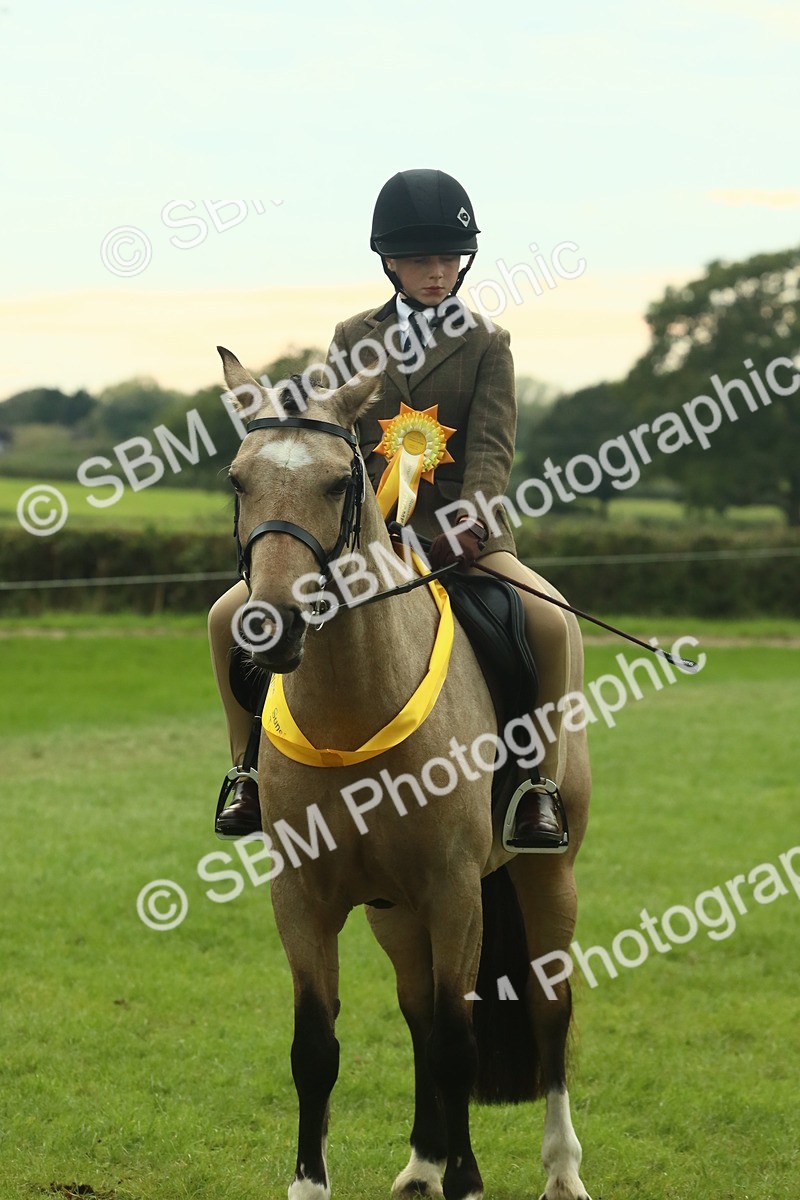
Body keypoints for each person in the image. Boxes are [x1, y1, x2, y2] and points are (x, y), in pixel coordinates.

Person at [208, 169, 570, 850]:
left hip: (462, 537)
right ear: (390, 263)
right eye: (421, 259)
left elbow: (491, 447)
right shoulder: (352, 334)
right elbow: (335, 436)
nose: (437, 272)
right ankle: (248, 770)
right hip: (363, 535)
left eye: (450, 259)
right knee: (228, 616)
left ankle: (536, 786)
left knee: (550, 623)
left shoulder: (488, 343)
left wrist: (470, 521)